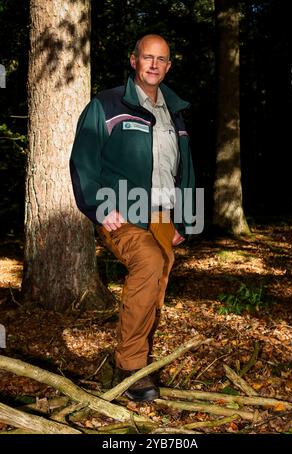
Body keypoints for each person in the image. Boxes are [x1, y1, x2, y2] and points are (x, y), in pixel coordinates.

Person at [70, 34, 195, 402]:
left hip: (163, 214)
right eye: (147, 57)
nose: (154, 64)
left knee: (156, 286)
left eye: (161, 59)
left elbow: (185, 168)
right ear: (134, 61)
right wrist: (97, 205)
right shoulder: (107, 104)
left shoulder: (176, 112)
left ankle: (133, 354)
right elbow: (83, 157)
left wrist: (184, 220)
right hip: (121, 210)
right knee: (148, 262)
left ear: (168, 65)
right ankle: (130, 367)